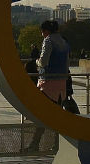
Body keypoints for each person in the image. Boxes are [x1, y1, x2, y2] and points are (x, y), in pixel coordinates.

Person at [28, 20, 71, 151]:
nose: (42, 34)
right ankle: (56, 145)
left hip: (47, 82)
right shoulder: (64, 41)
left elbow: (43, 61)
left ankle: (34, 144)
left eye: (42, 31)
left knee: (41, 114)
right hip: (61, 84)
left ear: (46, 31)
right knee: (56, 115)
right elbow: (67, 63)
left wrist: (36, 61)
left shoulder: (48, 41)